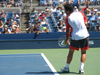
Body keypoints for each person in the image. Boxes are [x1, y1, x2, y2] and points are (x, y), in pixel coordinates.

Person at [61, 4, 89, 74]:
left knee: (71, 52)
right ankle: (81, 69)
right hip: (85, 35)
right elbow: (85, 23)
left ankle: (67, 68)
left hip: (75, 37)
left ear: (68, 11)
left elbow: (67, 30)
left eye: (65, 10)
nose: (64, 12)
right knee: (83, 52)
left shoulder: (68, 19)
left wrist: (67, 39)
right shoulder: (80, 13)